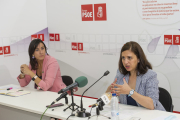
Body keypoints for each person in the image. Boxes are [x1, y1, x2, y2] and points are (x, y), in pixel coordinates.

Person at [106, 41, 165, 111]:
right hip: (130, 114)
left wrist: (130, 92)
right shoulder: (121, 74)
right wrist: (110, 89)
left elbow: (151, 105)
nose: (125, 62)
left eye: (129, 58)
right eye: (123, 58)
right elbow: (108, 97)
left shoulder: (150, 75)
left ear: (138, 59)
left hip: (152, 115)